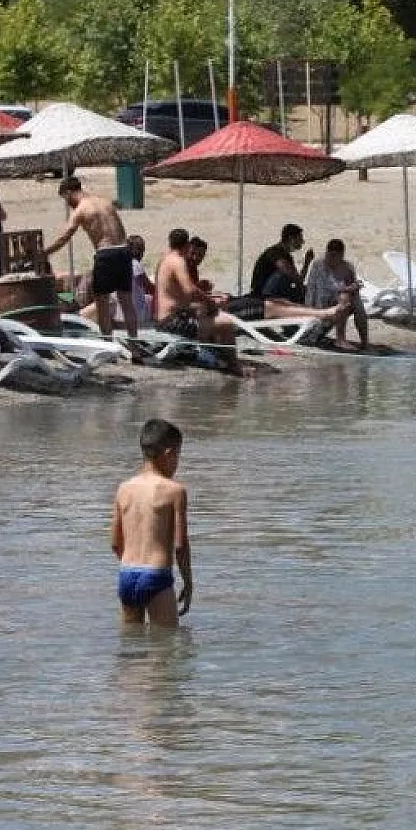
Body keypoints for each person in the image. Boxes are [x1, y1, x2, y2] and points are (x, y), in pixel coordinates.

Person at [111, 418, 192, 628]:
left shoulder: (124, 488)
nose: (177, 463)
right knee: (165, 650)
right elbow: (180, 545)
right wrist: (188, 582)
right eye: (178, 455)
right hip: (156, 575)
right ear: (168, 454)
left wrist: (134, 565)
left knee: (130, 647)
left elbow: (115, 543)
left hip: (127, 574)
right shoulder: (175, 491)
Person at [46, 176, 137, 339]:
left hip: (105, 253)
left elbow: (64, 237)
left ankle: (108, 343)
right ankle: (135, 346)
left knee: (101, 302)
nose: (67, 204)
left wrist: (45, 252)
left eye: (65, 199)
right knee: (127, 303)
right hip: (124, 251)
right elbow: (121, 229)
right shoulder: (106, 202)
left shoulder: (81, 210)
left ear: (68, 193)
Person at [153, 228, 250, 374]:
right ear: (186, 245)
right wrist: (209, 301)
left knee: (214, 315)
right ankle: (233, 365)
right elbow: (190, 291)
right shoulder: (178, 261)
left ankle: (217, 355)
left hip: (168, 317)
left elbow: (180, 294)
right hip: (172, 322)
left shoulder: (165, 259)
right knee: (226, 323)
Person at [305, 238, 368, 349]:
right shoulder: (319, 265)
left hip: (339, 302)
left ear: (341, 255)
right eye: (330, 255)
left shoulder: (347, 267)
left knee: (356, 302)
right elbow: (321, 291)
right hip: (321, 304)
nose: (332, 259)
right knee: (344, 297)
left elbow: (352, 287)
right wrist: (346, 289)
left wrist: (354, 286)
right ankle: (340, 339)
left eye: (335, 256)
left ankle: (364, 342)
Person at [250, 222, 308, 299]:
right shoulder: (275, 253)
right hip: (262, 294)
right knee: (282, 274)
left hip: (275, 292)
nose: (302, 242)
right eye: (300, 238)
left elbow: (298, 281)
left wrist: (307, 262)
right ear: (291, 239)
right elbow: (294, 278)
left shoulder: (287, 257)